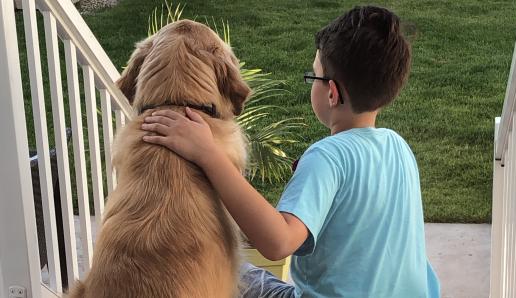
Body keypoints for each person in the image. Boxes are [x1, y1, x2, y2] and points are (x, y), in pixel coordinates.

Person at [140, 5, 440, 298]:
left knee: (235, 272)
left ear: (332, 93)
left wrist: (208, 153)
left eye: (314, 75)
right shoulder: (398, 146)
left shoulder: (328, 157)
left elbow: (279, 242)